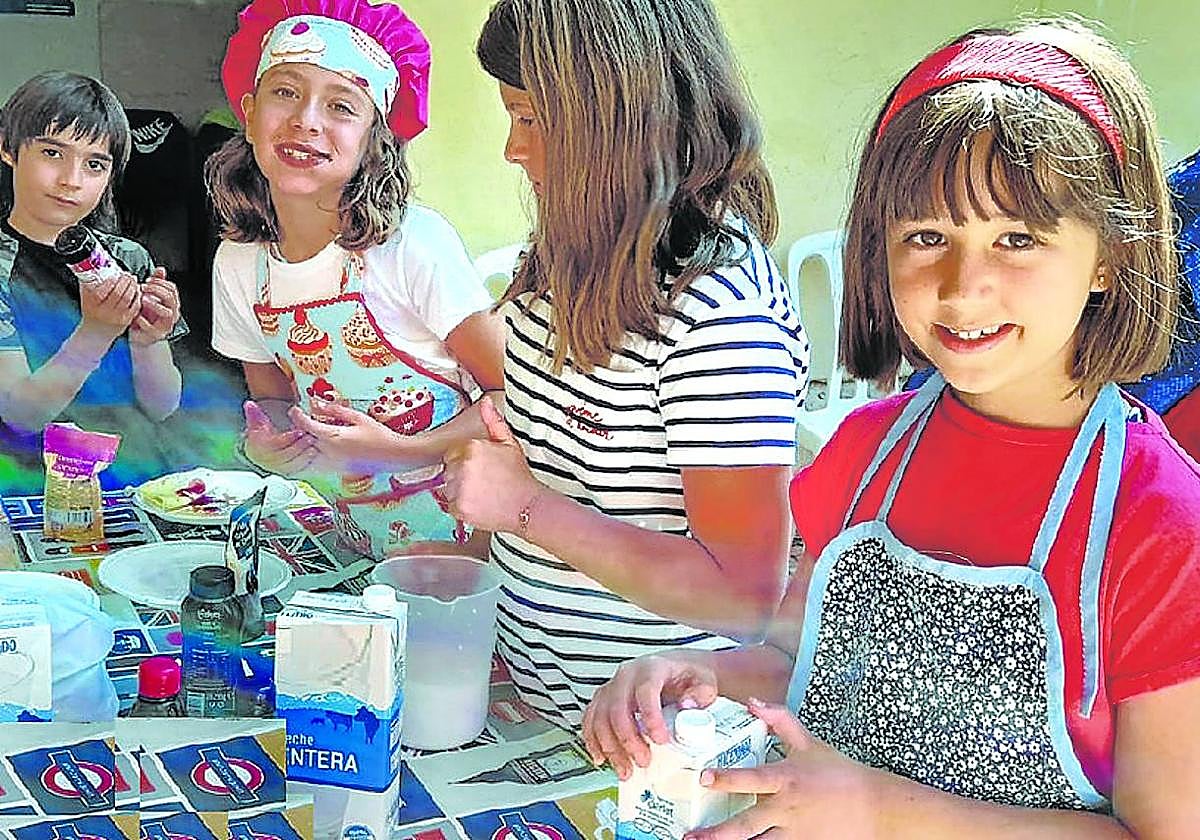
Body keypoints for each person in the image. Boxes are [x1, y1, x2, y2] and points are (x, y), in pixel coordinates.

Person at [583, 20, 1200, 835]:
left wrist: (878, 810)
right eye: (927, 237)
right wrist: (688, 674)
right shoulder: (863, 452)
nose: (961, 286)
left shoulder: (1159, 523)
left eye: (1017, 238)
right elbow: (793, 664)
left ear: (1109, 259)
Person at [399, 0, 807, 730]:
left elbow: (742, 595)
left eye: (527, 118)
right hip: (538, 706)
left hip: (651, 740)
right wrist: (476, 565)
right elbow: (540, 463)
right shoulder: (572, 255)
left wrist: (526, 510)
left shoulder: (718, 315)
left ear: (610, 124)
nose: (511, 150)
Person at [207, 0, 504, 557]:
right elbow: (271, 397)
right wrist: (270, 442)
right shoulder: (240, 264)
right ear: (248, 113)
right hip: (347, 532)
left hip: (466, 539)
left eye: (341, 106)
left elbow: (514, 399)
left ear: (374, 138)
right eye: (286, 92)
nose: (306, 120)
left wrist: (403, 451)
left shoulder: (412, 245)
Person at [0, 72, 185, 491]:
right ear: (8, 149)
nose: (72, 179)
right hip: (33, 487)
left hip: (138, 481)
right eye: (52, 153)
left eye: (95, 164)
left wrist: (149, 340)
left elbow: (163, 406)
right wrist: (97, 331)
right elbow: (21, 414)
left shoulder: (128, 258)